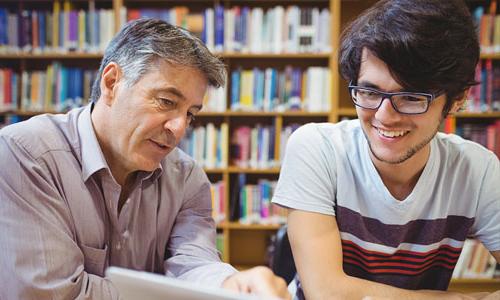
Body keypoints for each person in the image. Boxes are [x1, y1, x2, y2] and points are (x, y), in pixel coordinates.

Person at [0, 19, 289, 299]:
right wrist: (176, 295)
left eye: (190, 114)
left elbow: (194, 263)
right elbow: (51, 294)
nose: (179, 129)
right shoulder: (27, 154)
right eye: (166, 102)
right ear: (112, 83)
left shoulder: (187, 177)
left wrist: (230, 285)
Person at [272, 0, 500, 299]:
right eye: (368, 92)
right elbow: (327, 293)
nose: (383, 116)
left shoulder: (476, 169)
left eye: (410, 97)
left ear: (457, 99)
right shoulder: (318, 148)